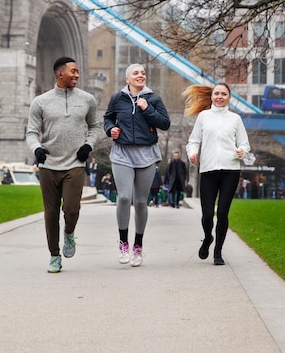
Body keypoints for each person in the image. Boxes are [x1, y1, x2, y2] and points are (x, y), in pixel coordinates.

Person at [26, 56, 100, 273]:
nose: (77, 74)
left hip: (75, 164)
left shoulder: (87, 100)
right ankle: (54, 255)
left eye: (77, 71)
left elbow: (94, 126)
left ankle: (69, 233)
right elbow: (31, 132)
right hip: (49, 164)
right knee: (50, 214)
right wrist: (37, 149)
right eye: (73, 71)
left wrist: (88, 145)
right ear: (60, 74)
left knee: (71, 209)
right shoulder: (40, 102)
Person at [104, 63, 170, 266]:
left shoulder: (153, 98)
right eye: (136, 73)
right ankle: (123, 243)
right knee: (124, 197)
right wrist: (111, 129)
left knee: (141, 201)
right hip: (122, 153)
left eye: (143, 73)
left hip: (146, 154)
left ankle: (138, 246)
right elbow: (107, 118)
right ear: (127, 79)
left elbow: (165, 123)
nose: (140, 75)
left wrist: (147, 108)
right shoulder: (117, 98)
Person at [185, 83, 250, 266]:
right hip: (208, 170)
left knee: (222, 213)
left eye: (223, 94)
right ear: (212, 97)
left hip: (230, 170)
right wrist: (192, 154)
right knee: (207, 214)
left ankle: (218, 252)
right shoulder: (204, 117)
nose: (220, 97)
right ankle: (207, 238)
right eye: (217, 94)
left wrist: (241, 151)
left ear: (229, 97)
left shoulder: (235, 119)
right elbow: (193, 141)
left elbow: (245, 144)